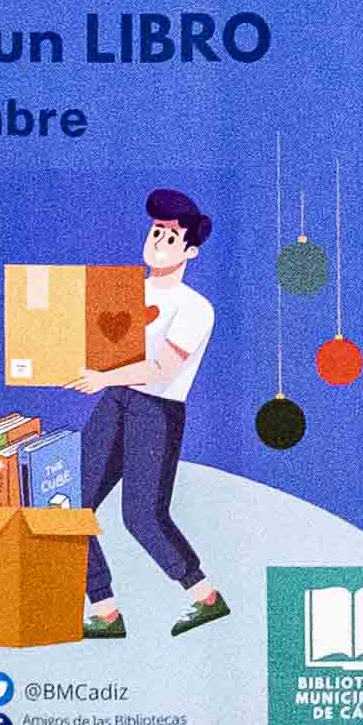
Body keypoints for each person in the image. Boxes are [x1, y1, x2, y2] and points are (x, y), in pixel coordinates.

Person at [77, 186, 233, 638]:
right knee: (70, 507)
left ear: (191, 251)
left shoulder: (196, 307)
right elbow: (100, 349)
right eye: (155, 230)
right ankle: (105, 610)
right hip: (115, 403)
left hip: (156, 412)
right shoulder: (123, 291)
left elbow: (164, 367)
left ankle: (204, 595)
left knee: (142, 517)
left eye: (170, 234)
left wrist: (104, 377)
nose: (159, 239)